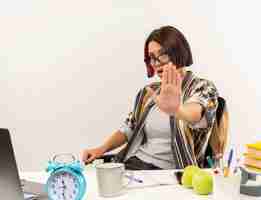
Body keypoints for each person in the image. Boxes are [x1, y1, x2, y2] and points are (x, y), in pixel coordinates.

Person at [82, 26, 227, 170]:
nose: (157, 63)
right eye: (152, 58)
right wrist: (101, 149)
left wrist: (177, 110)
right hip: (135, 165)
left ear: (179, 51)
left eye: (163, 54)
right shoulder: (148, 93)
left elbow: (195, 114)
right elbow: (129, 128)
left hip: (173, 174)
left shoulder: (203, 87)